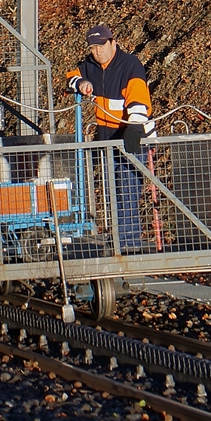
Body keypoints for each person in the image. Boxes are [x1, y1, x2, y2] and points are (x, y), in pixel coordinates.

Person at [66, 24, 153, 252]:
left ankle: (129, 244)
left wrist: (134, 131)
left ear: (112, 43)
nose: (97, 52)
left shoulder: (129, 65)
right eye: (93, 48)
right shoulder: (90, 66)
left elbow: (138, 100)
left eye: (101, 46)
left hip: (130, 136)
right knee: (112, 189)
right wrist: (80, 83)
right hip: (107, 139)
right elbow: (70, 77)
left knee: (128, 188)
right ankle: (119, 241)